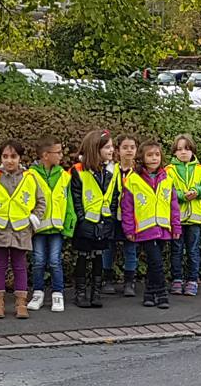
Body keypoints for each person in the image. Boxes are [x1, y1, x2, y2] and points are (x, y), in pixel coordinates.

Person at [0, 140, 46, 320]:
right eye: (5, 157)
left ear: (20, 158)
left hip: (21, 230)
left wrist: (33, 220)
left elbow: (41, 202)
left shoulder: (31, 178)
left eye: (13, 156)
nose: (9, 160)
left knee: (20, 266)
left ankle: (21, 303)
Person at [122, 140, 182, 308]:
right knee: (156, 262)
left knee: (153, 262)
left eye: (157, 155)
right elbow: (127, 207)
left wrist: (176, 226)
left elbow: (173, 205)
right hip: (145, 228)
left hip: (163, 229)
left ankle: (149, 293)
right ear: (142, 157)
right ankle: (162, 293)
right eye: (150, 155)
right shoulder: (133, 180)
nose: (154, 158)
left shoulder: (167, 178)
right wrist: (129, 229)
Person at [70, 130, 118, 308]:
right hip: (85, 224)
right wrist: (82, 220)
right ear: (95, 148)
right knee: (82, 257)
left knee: (98, 256)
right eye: (107, 147)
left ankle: (96, 293)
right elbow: (76, 199)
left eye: (112, 146)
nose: (111, 150)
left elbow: (114, 196)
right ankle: (80, 293)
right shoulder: (79, 171)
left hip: (104, 222)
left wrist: (111, 217)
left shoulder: (113, 170)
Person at [27, 136, 73, 313]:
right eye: (58, 152)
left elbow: (68, 202)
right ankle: (38, 293)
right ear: (46, 155)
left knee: (55, 261)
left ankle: (58, 294)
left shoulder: (64, 175)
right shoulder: (30, 175)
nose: (61, 155)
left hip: (57, 228)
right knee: (38, 261)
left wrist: (69, 224)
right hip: (37, 228)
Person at [166, 135, 201, 296]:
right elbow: (166, 190)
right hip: (176, 218)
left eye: (187, 148)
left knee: (193, 250)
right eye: (179, 149)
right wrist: (183, 196)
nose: (183, 152)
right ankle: (177, 279)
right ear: (174, 152)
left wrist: (197, 192)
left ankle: (192, 280)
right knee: (176, 250)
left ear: (192, 151)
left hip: (194, 218)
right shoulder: (169, 170)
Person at [103, 135, 140, 296]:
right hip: (111, 216)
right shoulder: (111, 169)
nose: (129, 150)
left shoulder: (139, 172)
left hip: (131, 218)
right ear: (118, 151)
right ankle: (107, 280)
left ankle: (129, 282)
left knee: (130, 250)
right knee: (108, 248)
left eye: (132, 147)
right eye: (125, 147)